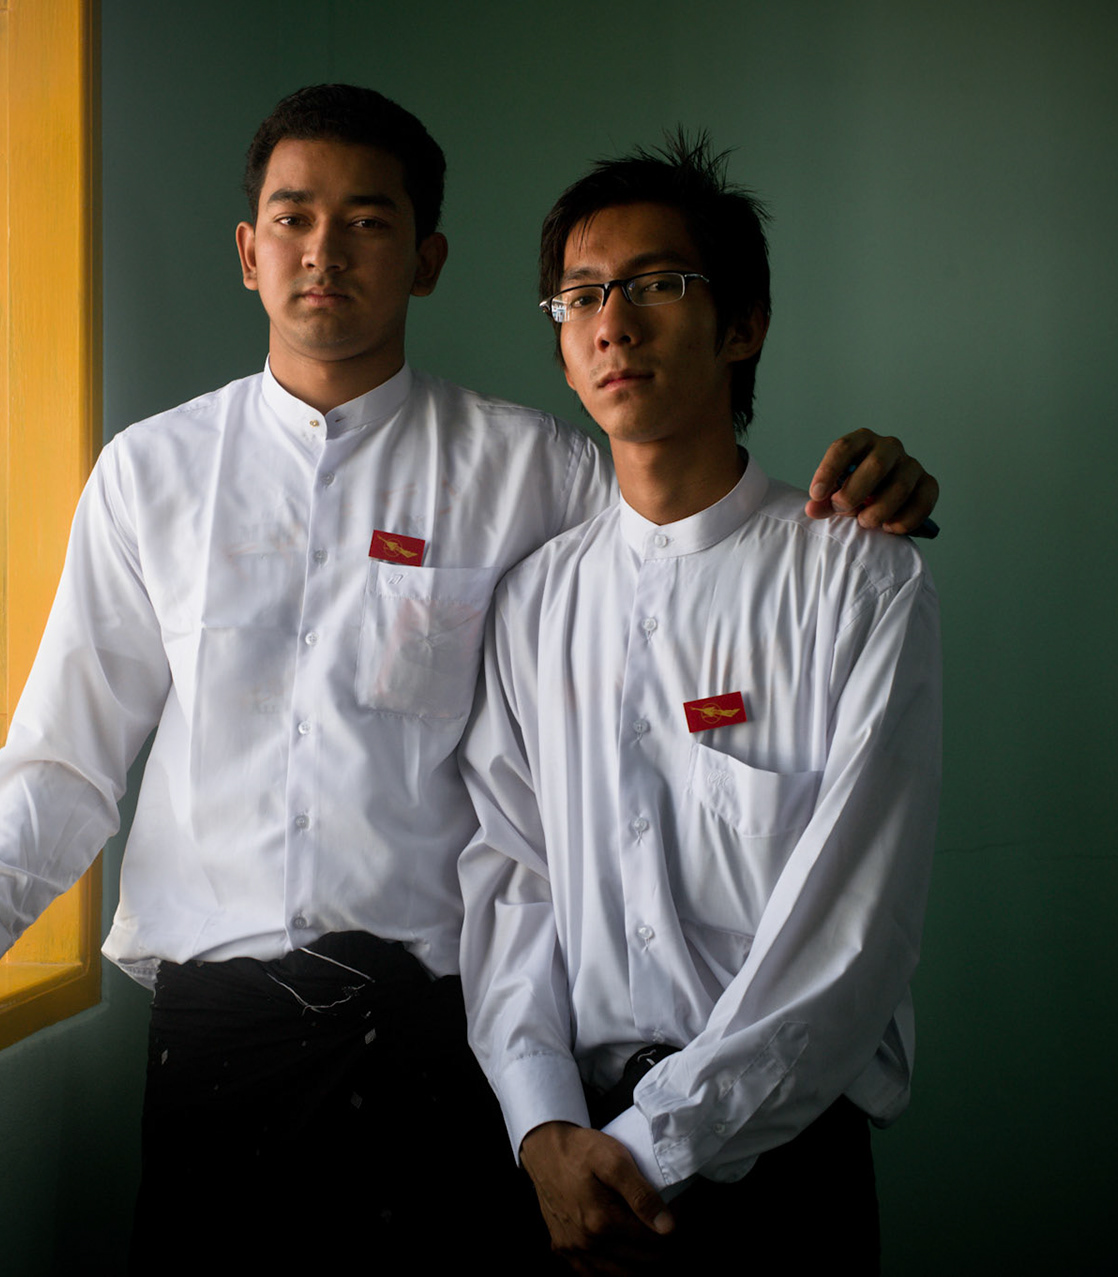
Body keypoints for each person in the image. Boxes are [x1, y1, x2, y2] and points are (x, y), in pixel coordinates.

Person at [0, 88, 939, 1266]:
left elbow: (677, 534)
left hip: (434, 1045)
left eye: (369, 221)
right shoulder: (150, 475)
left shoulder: (535, 471)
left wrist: (867, 492)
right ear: (248, 250)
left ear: (425, 259)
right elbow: (68, 749)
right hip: (218, 1042)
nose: (325, 251)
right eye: (294, 217)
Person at [458, 135, 941, 1275]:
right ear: (567, 352)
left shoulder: (857, 579)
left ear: (744, 324)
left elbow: (850, 931)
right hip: (573, 1165)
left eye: (658, 283)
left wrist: (641, 1146)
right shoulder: (533, 602)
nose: (613, 320)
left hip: (778, 1161)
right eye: (580, 295)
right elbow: (509, 876)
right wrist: (542, 1129)